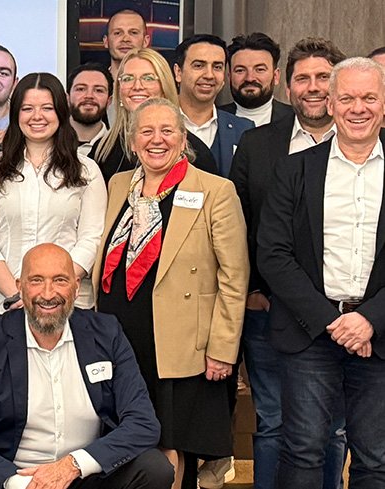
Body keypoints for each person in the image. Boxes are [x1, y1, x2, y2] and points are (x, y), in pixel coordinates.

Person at [94, 97, 247, 489]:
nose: (156, 139)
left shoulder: (215, 190)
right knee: (127, 443)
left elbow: (234, 278)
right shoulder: (117, 186)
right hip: (121, 340)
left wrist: (222, 349)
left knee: (172, 445)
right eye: (146, 131)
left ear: (183, 140)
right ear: (132, 142)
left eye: (167, 131)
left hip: (180, 347)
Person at [258, 57, 385, 489]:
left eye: (368, 98)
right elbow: (273, 254)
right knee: (302, 449)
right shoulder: (294, 168)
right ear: (330, 104)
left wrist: (369, 319)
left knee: (376, 457)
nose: (358, 108)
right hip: (309, 333)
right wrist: (332, 321)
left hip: (380, 334)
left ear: (383, 103)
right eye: (346, 98)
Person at [0, 244, 172, 489]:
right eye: (36, 280)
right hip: (17, 477)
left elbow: (143, 423)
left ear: (76, 287)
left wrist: (73, 465)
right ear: (20, 287)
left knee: (154, 467)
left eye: (60, 280)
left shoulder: (106, 333)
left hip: (86, 475)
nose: (48, 294)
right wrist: (26, 484)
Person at [228, 37, 349, 489]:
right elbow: (238, 225)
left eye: (323, 77)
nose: (313, 87)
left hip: (343, 315)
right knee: (274, 422)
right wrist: (252, 290)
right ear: (287, 84)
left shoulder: (366, 144)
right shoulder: (257, 143)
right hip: (270, 309)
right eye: (303, 78)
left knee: (332, 429)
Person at [0, 73, 107, 324]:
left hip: (68, 304)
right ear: (16, 114)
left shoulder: (86, 171)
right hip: (4, 304)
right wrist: (18, 294)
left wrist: (53, 290)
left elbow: (91, 239)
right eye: (27, 109)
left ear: (61, 112)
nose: (37, 116)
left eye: (47, 108)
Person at [90, 47, 220, 179]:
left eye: (148, 78)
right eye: (128, 78)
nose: (137, 86)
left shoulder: (196, 153)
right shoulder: (102, 151)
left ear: (164, 86)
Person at [173, 34, 255, 177]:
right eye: (199, 66)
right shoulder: (156, 125)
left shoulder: (243, 130)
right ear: (178, 72)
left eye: (217, 67)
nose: (209, 75)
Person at [220, 33, 293, 126]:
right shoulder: (215, 120)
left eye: (260, 70)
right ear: (229, 77)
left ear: (276, 76)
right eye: (240, 70)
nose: (250, 78)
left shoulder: (296, 119)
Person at [68, 63, 113, 155]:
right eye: (81, 89)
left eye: (98, 90)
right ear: (67, 98)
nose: (89, 96)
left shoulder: (120, 149)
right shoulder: (48, 144)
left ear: (109, 101)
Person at [103, 9, 152, 79]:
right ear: (106, 41)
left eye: (134, 33)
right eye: (117, 33)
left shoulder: (157, 84)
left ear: (145, 41)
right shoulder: (95, 82)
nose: (125, 39)